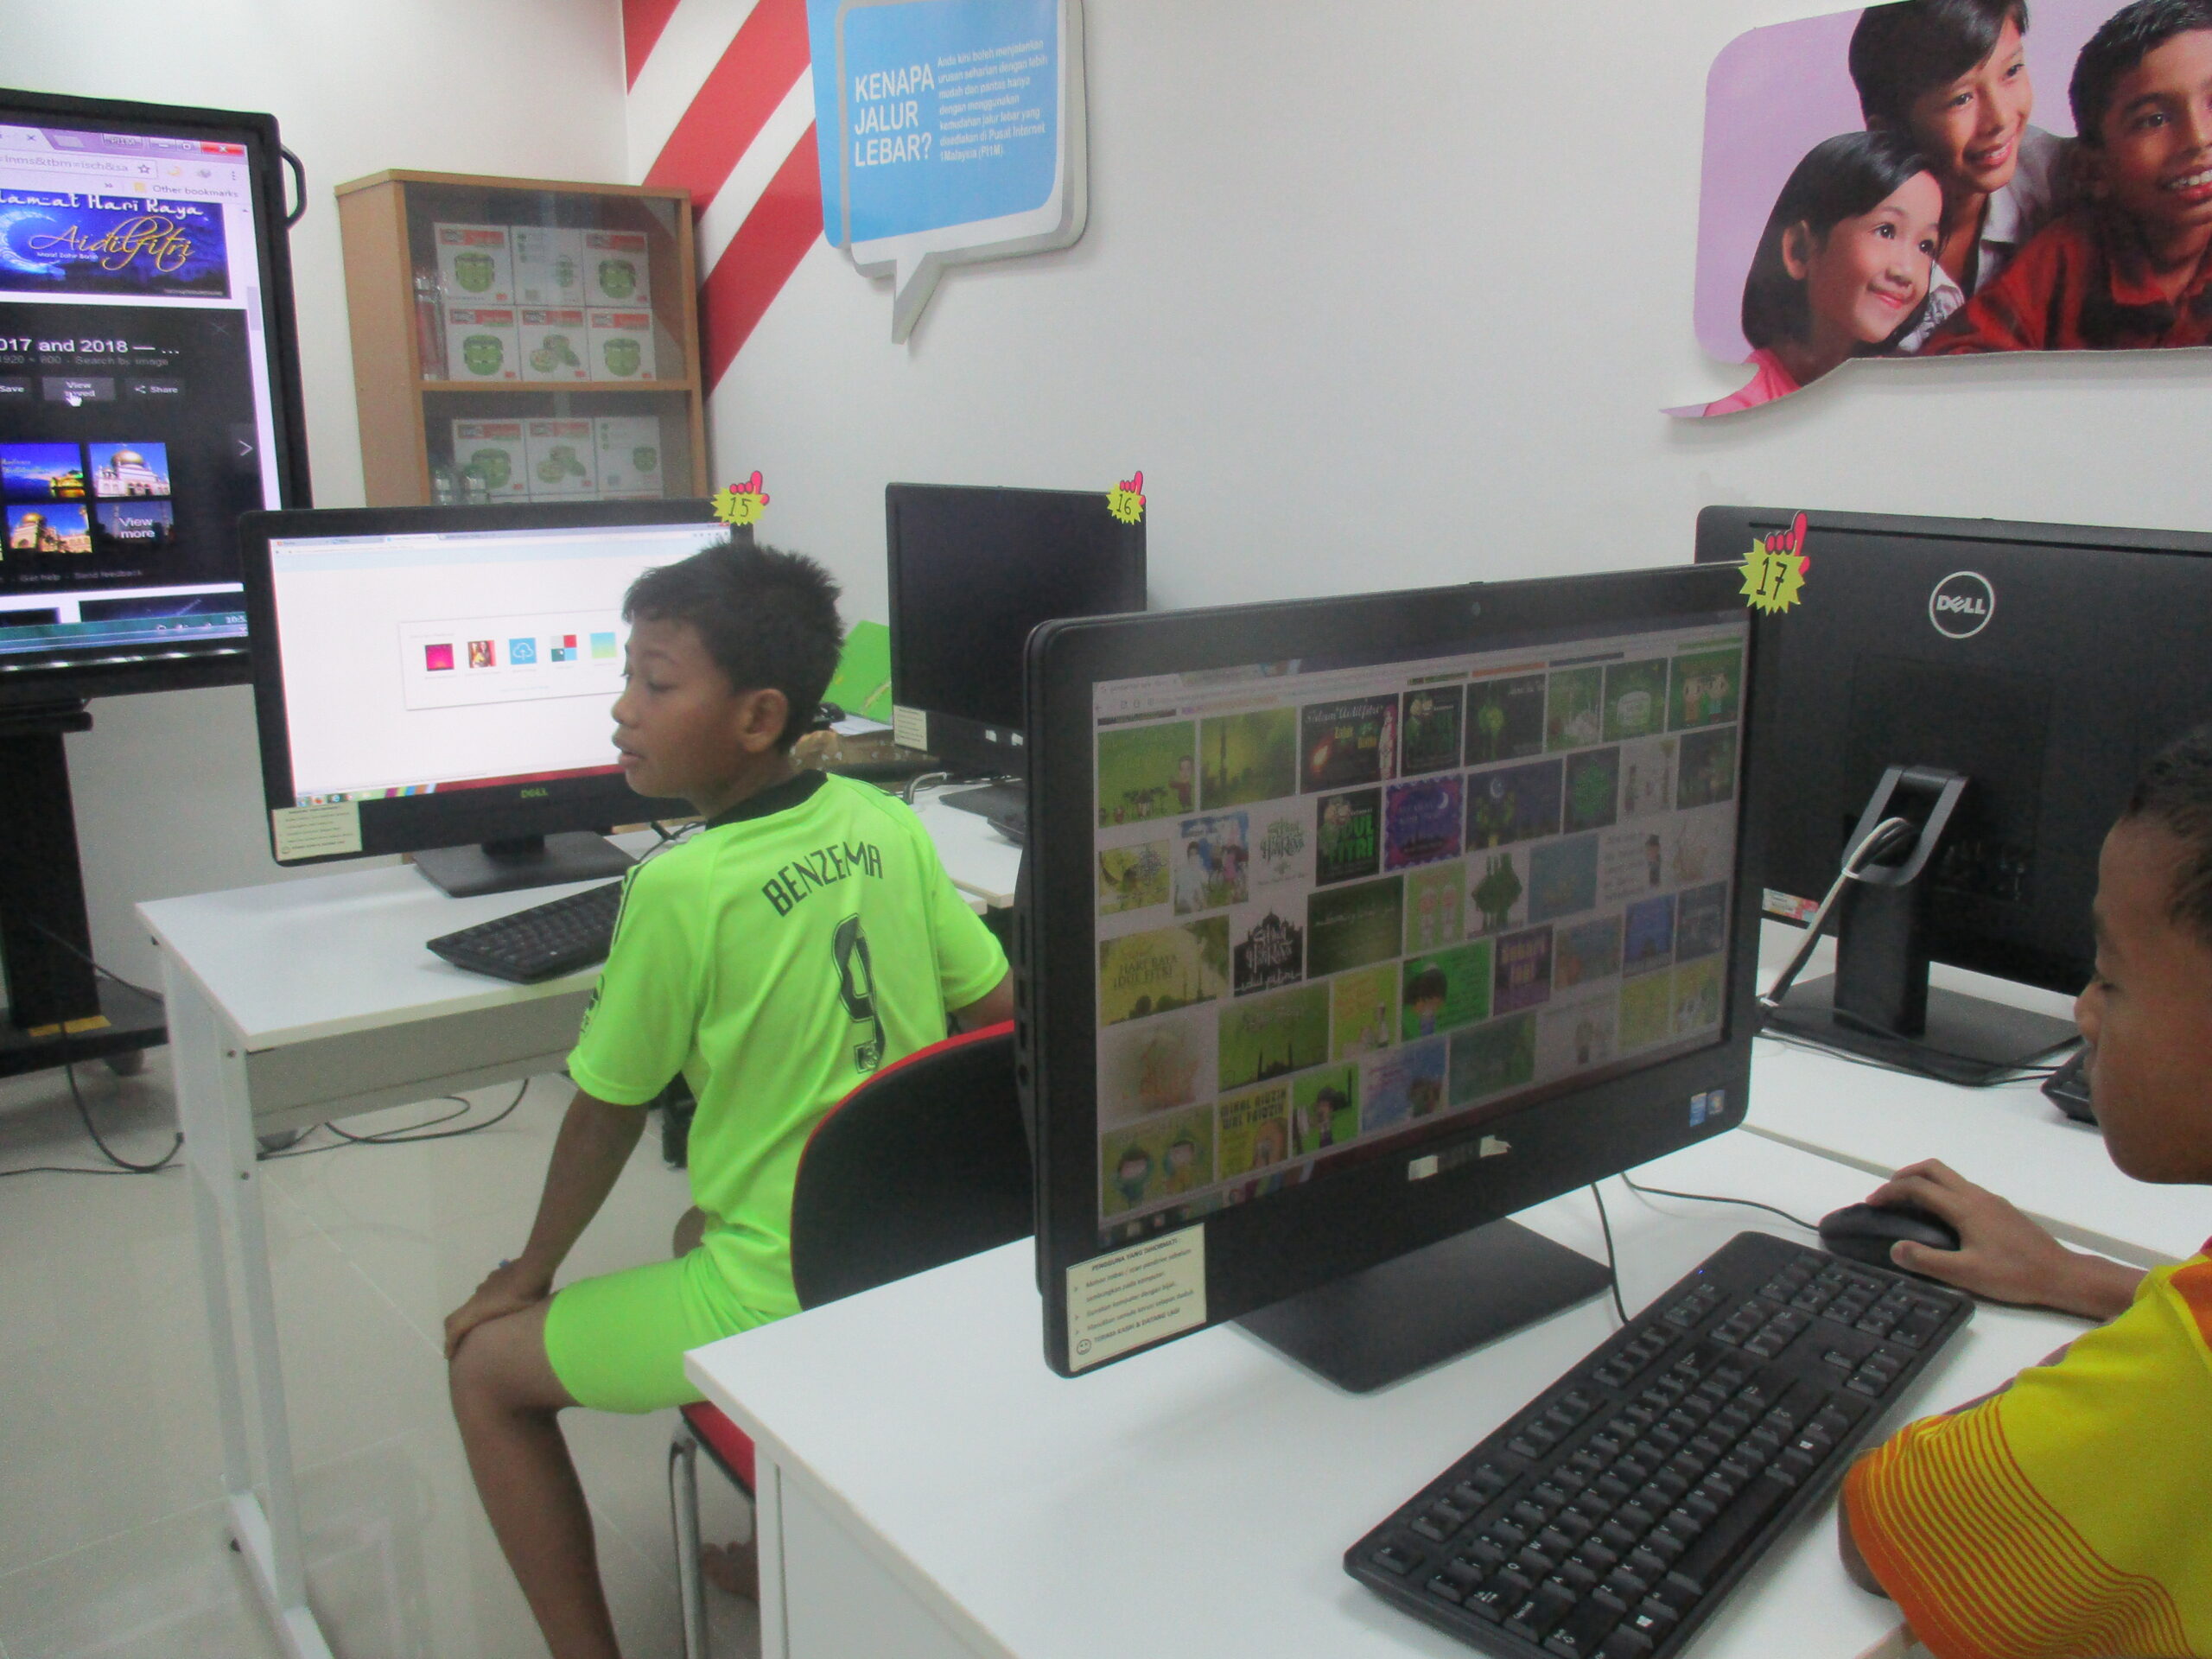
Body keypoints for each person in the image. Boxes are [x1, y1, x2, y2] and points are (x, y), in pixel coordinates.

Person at [442, 538, 1012, 1659]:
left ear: (757, 718)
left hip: (785, 1286)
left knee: (484, 1374)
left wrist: (527, 1272)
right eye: (627, 675)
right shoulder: (885, 822)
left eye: (656, 684)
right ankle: (790, 1532)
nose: (623, 709)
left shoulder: (679, 887)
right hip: (910, 1255)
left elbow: (605, 1113)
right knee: (692, 1225)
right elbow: (997, 1013)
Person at [1836, 724, 2212, 1656]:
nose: (2084, 1010)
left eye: (2111, 978)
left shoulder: (2189, 1390)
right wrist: (2080, 1278)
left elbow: (1887, 1526)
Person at [1925, 0, 2212, 353]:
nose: (2199, 138)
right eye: (2154, 120)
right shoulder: (2068, 257)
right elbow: (1954, 362)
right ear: (2093, 169)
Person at [1848, 0, 2074, 349]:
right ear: (1887, 132)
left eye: (2012, 71)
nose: (2000, 118)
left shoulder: (2066, 179)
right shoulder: (1850, 247)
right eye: (1961, 99)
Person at [1707, 131, 1945, 414]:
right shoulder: (1741, 412)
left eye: (1925, 246)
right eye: (1886, 231)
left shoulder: (1900, 402)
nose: (1906, 271)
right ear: (1799, 250)